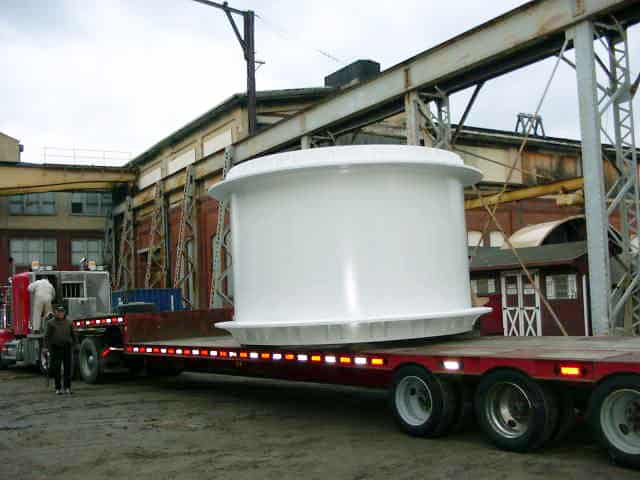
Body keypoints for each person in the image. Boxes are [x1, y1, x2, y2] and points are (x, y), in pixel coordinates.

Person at [44, 306, 76, 395]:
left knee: (67, 368)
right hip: (56, 348)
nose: (61, 313)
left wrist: (75, 344)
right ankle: (58, 388)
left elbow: (73, 334)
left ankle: (67, 388)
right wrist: (45, 347)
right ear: (56, 312)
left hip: (67, 347)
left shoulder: (69, 322)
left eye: (62, 311)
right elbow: (47, 336)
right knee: (56, 368)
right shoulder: (51, 323)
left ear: (64, 312)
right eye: (59, 312)